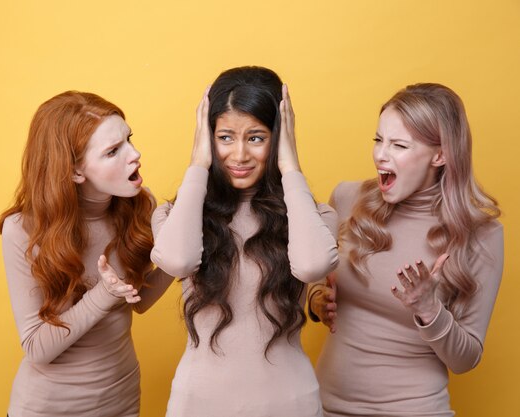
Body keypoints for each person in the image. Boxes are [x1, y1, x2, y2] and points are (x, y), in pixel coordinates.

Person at [150, 66, 339, 417]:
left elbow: (313, 265)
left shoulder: (315, 217)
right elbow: (177, 261)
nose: (238, 155)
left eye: (256, 137)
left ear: (279, 138)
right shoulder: (177, 215)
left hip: (290, 404)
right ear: (207, 137)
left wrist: (290, 167)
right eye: (225, 137)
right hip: (197, 405)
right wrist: (198, 165)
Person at [310, 83, 504, 416]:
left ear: (440, 155)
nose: (380, 155)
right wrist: (316, 300)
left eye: (399, 145)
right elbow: (316, 277)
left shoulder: (481, 235)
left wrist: (429, 309)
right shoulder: (346, 198)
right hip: (324, 406)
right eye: (378, 140)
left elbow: (466, 359)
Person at [0, 91, 173, 417]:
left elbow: (140, 301)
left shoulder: (139, 205)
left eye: (129, 140)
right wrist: (103, 294)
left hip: (122, 401)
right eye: (113, 151)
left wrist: (176, 256)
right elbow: (37, 347)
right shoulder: (22, 229)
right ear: (75, 171)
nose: (135, 154)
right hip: (49, 409)